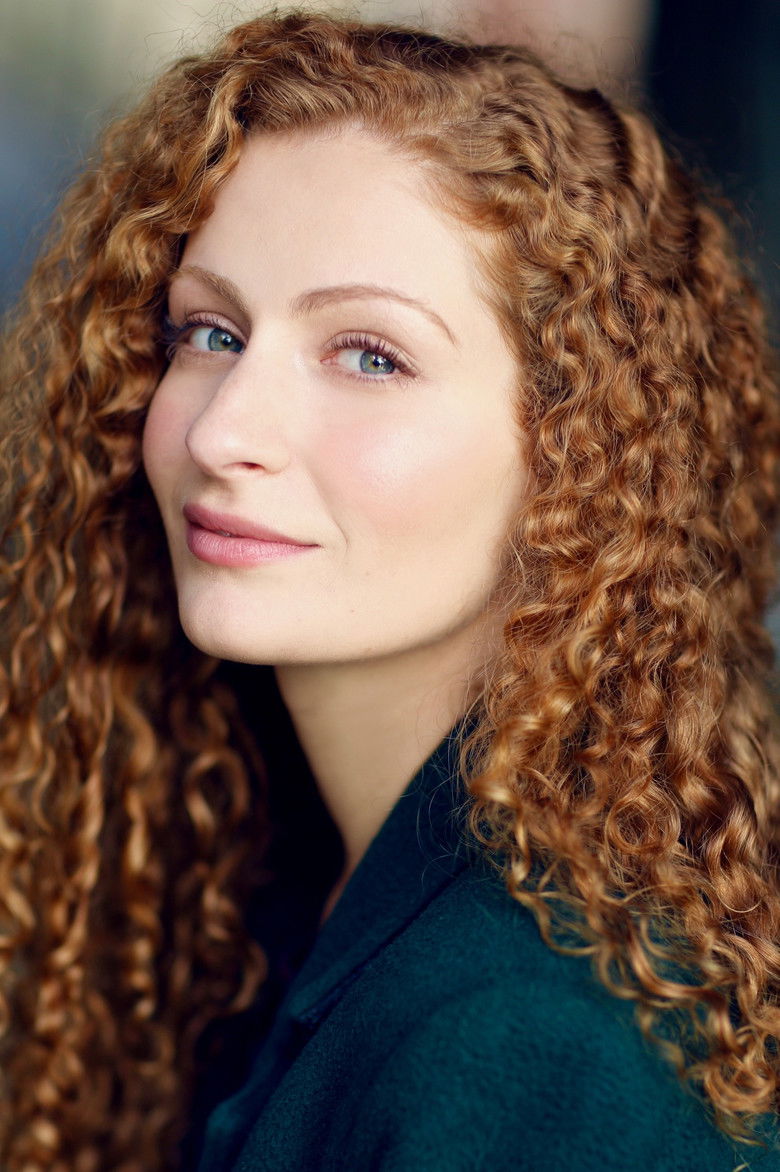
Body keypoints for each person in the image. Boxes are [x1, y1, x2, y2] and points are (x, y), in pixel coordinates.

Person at [2, 9, 780, 1171]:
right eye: (209, 331)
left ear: (582, 450)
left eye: (370, 354)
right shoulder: (252, 873)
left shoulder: (531, 1040)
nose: (223, 430)